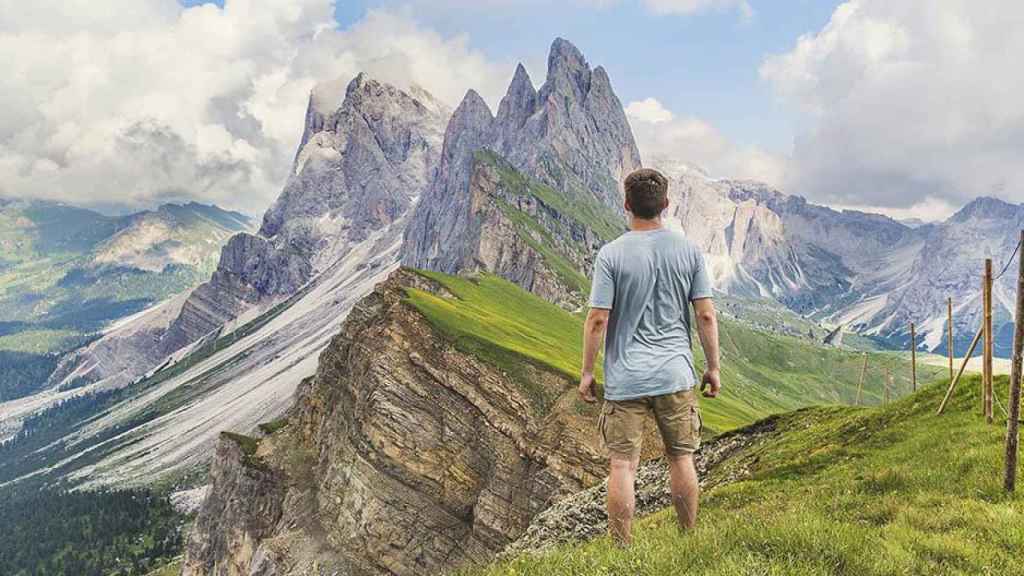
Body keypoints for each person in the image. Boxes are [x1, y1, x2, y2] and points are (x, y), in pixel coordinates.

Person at [578, 168, 721, 547]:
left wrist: (587, 372)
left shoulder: (611, 254)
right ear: (666, 205)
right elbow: (705, 314)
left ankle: (623, 551)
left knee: (622, 466)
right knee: (681, 458)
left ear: (627, 205)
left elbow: (597, 320)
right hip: (675, 374)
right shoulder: (688, 251)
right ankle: (688, 539)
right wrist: (713, 367)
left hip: (626, 379)